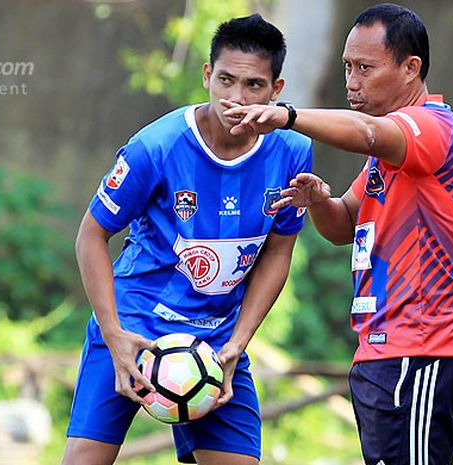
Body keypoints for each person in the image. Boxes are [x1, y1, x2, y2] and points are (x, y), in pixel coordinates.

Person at [221, 3, 453, 465]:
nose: (352, 81)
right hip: (382, 352)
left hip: (423, 350)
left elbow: (366, 132)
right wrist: (319, 200)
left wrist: (285, 115)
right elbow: (343, 225)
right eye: (347, 67)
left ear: (410, 68)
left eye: (365, 68)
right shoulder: (388, 156)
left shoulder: (431, 129)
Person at [61, 13, 312, 465]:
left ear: (276, 91)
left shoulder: (293, 151)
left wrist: (238, 343)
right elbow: (91, 236)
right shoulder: (155, 147)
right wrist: (113, 333)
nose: (236, 98)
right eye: (226, 81)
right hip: (134, 326)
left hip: (215, 343)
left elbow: (279, 248)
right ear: (207, 76)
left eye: (254, 85)